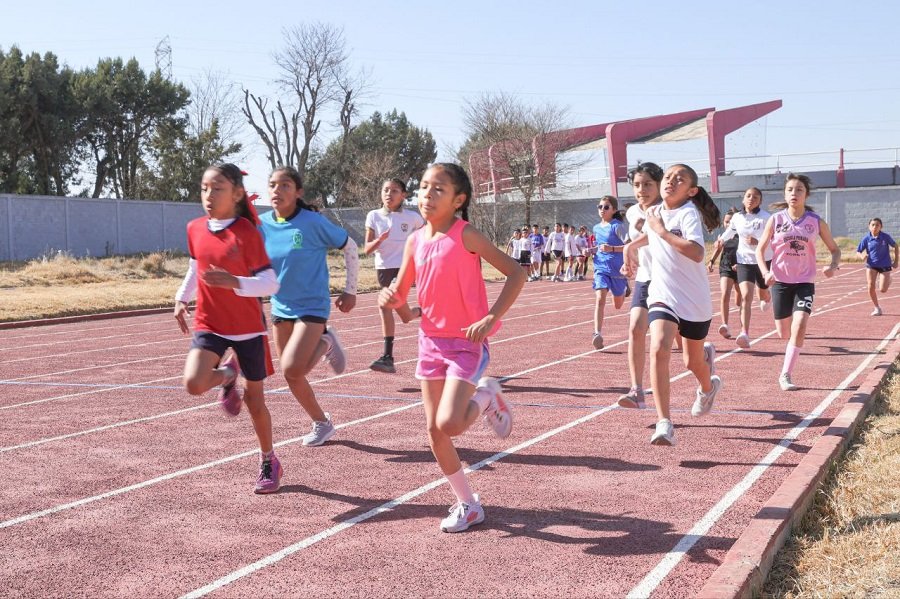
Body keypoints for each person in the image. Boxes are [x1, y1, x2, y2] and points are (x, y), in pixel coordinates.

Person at [379, 162, 525, 533]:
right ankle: (469, 504)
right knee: (435, 432)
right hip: (430, 342)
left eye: (438, 189)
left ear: (458, 199)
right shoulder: (415, 240)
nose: (428, 194)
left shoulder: (466, 235)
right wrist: (391, 300)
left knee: (450, 423)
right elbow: (407, 305)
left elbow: (516, 272)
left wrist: (491, 317)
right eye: (425, 187)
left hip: (466, 344)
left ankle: (487, 395)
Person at [174, 163, 282, 494]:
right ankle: (226, 376)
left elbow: (270, 283)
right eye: (204, 188)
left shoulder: (247, 233)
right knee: (193, 383)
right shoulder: (194, 228)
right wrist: (181, 298)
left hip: (248, 328)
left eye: (217, 188)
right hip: (210, 321)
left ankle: (269, 460)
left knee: (254, 402)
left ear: (236, 194)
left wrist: (234, 281)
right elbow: (196, 268)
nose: (209, 195)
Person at [259, 166, 359, 446]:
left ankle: (323, 340)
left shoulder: (313, 222)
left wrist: (350, 290)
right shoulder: (262, 224)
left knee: (292, 368)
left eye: (285, 185)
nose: (277, 191)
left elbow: (350, 247)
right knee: (290, 376)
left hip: (312, 305)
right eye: (273, 185)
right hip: (280, 305)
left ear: (298, 191)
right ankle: (322, 423)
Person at [624, 164, 722, 446]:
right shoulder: (654, 213)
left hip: (694, 299)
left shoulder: (688, 213)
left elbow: (696, 251)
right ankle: (664, 422)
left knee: (692, 361)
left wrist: (662, 232)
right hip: (662, 294)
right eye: (668, 177)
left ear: (691, 191)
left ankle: (708, 386)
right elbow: (652, 234)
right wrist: (631, 247)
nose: (671, 181)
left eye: (680, 179)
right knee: (658, 347)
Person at [757, 173, 840, 391]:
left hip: (805, 281)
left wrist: (832, 266)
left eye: (799, 189)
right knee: (784, 333)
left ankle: (786, 374)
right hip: (780, 282)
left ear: (806, 195)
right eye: (790, 189)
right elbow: (759, 250)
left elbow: (835, 249)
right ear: (785, 194)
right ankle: (770, 302)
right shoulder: (775, 220)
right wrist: (765, 272)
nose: (794, 193)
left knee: (800, 323)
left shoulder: (815, 222)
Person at [364, 178, 424, 373]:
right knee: (405, 316)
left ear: (403, 195)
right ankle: (423, 311)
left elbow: (427, 237)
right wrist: (379, 240)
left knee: (384, 304)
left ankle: (387, 357)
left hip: (404, 268)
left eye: (395, 190)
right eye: (386, 190)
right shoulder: (373, 216)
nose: (389, 194)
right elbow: (367, 249)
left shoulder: (412, 217)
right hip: (383, 269)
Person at [618, 162, 664, 409]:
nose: (642, 189)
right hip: (646, 277)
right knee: (636, 328)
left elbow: (656, 236)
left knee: (680, 341)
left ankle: (703, 354)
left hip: (670, 279)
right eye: (637, 185)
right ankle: (637, 390)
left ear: (658, 185)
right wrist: (629, 261)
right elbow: (635, 242)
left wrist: (630, 247)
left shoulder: (667, 209)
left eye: (647, 184)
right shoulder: (632, 212)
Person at [719, 187, 773, 349]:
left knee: (762, 292)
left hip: (763, 260)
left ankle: (767, 296)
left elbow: (774, 239)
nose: (751, 199)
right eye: (748, 196)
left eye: (756, 197)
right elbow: (730, 231)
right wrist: (721, 240)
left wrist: (758, 242)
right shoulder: (737, 217)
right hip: (744, 261)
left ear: (760, 201)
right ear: (743, 199)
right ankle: (744, 333)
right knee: (746, 297)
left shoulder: (766, 218)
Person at [591, 196, 628, 349]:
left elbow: (630, 246)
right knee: (600, 298)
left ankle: (625, 286)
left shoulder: (617, 226)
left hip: (617, 269)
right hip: (601, 268)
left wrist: (612, 249)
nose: (602, 210)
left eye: (606, 207)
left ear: (613, 210)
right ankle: (597, 333)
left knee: (618, 305)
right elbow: (599, 247)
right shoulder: (595, 228)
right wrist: (591, 251)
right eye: (600, 207)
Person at [707, 208, 743, 338]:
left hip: (741, 268)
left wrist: (740, 264)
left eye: (731, 222)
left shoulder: (742, 235)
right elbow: (718, 249)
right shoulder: (723, 236)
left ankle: (743, 328)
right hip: (725, 268)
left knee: (740, 300)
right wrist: (711, 261)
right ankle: (725, 325)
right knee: (725, 294)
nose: (728, 224)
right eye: (726, 222)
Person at [856, 217, 897, 316]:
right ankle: (877, 308)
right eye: (873, 225)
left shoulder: (885, 237)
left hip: (885, 265)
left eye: (877, 225)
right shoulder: (866, 238)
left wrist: (896, 261)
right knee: (870, 286)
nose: (875, 227)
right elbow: (858, 251)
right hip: (871, 265)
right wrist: (862, 255)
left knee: (883, 290)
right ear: (869, 227)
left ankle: (888, 279)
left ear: (881, 227)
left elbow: (896, 246)